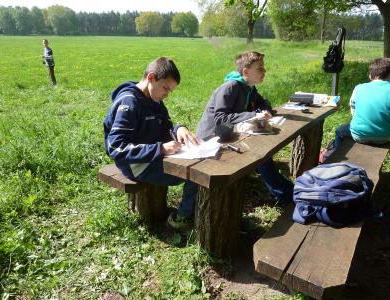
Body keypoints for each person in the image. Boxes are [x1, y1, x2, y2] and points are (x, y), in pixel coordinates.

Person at [103, 57, 199, 230]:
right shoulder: (129, 103)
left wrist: (178, 129)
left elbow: (166, 127)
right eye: (165, 88)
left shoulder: (155, 101)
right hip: (136, 165)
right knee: (196, 174)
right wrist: (160, 149)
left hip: (152, 156)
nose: (166, 95)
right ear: (151, 78)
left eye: (170, 91)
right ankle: (181, 218)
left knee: (199, 163)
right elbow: (116, 148)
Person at [196, 51, 294, 207]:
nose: (264, 71)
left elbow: (263, 103)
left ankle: (285, 192)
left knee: (261, 149)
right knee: (259, 152)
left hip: (231, 135)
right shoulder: (230, 87)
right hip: (211, 140)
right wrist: (253, 114)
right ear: (245, 72)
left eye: (263, 67)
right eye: (260, 68)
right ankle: (286, 195)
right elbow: (221, 119)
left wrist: (263, 110)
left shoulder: (249, 87)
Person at [333, 58, 390, 149]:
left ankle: (334, 159)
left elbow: (353, 111)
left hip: (358, 135)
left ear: (371, 75)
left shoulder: (359, 88)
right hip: (384, 137)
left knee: (340, 131)